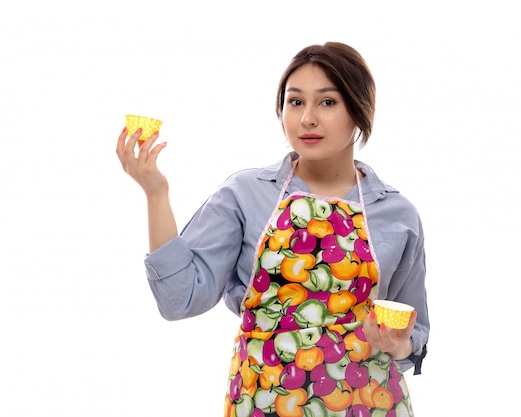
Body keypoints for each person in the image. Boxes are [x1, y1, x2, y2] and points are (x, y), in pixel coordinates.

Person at [116, 41, 429, 416]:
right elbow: (179, 299)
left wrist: (399, 345)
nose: (307, 118)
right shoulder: (245, 195)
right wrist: (156, 193)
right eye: (295, 102)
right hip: (265, 400)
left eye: (327, 102)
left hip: (370, 403)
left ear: (360, 110)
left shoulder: (396, 213)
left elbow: (415, 332)